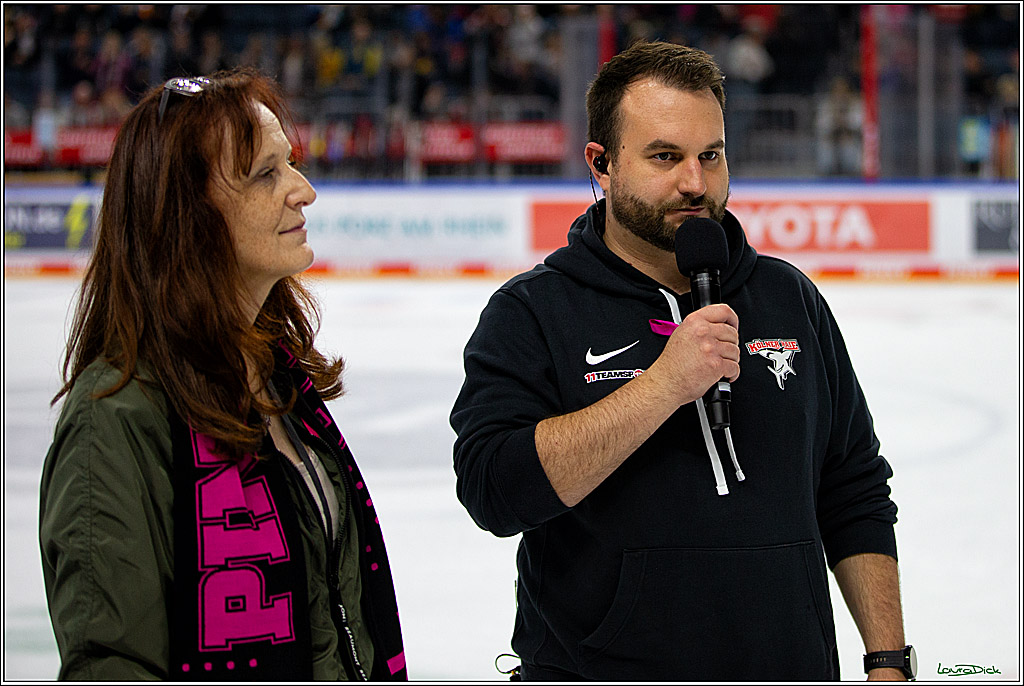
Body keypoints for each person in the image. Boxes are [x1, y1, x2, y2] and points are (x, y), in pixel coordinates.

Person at [450, 41, 911, 681]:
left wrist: (888, 660)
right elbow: (493, 491)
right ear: (602, 164)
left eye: (711, 156)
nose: (695, 183)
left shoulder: (789, 298)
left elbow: (852, 486)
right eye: (665, 157)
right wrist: (662, 386)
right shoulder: (532, 310)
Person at [39, 69, 408, 681]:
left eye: (289, 163)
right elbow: (114, 664)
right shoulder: (116, 415)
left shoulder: (280, 379)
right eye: (267, 173)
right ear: (187, 211)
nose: (304, 190)